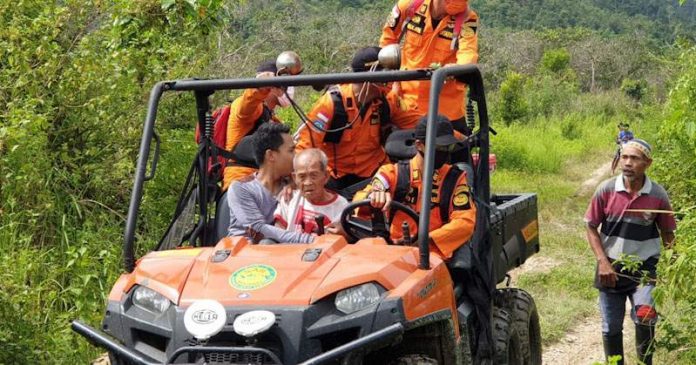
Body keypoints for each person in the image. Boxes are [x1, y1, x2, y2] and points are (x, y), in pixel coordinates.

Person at [584, 138, 676, 365]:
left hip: (645, 269)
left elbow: (668, 234)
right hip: (610, 268)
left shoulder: (658, 195)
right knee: (611, 326)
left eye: (634, 158)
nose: (627, 163)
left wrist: (675, 268)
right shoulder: (606, 190)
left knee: (646, 319)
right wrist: (603, 262)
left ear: (647, 163)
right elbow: (590, 226)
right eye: (624, 157)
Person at [294, 46, 412, 198]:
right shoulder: (330, 104)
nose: (389, 83)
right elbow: (305, 146)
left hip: (373, 177)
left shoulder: (387, 101)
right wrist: (298, 181)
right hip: (335, 179)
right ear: (372, 78)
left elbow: (414, 121)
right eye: (385, 77)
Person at [360, 115, 476, 259]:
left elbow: (465, 222)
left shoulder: (455, 179)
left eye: (448, 147)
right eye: (439, 147)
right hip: (391, 253)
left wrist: (426, 241)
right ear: (419, 145)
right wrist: (375, 195)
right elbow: (363, 197)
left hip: (433, 257)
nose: (444, 152)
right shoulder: (393, 173)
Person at [379, 0, 479, 132]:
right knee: (393, 146)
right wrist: (393, 84)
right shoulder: (409, 6)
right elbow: (387, 41)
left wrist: (457, 68)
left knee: (457, 148)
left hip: (447, 111)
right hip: (406, 104)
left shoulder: (467, 18)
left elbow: (468, 52)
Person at [227, 123, 315, 244]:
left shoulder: (294, 184)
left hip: (285, 254)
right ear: (271, 155)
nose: (296, 156)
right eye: (291, 151)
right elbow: (259, 230)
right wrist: (310, 240)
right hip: (246, 255)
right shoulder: (241, 188)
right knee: (266, 243)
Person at [222, 60, 295, 191]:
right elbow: (246, 105)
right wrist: (261, 86)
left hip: (265, 184)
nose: (288, 88)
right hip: (240, 183)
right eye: (284, 83)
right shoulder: (249, 107)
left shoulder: (273, 120)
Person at [274, 149, 349, 235]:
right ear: (294, 178)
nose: (308, 183)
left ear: (326, 176)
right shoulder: (289, 198)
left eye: (314, 175)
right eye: (302, 176)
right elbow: (277, 233)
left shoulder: (341, 206)